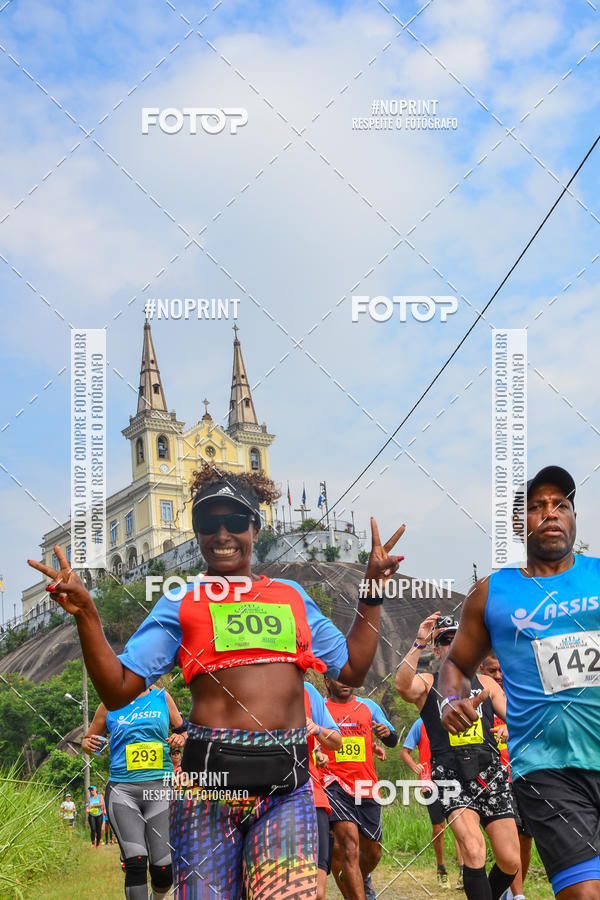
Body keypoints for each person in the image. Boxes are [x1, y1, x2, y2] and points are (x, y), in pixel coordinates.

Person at [29, 463, 404, 899]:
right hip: (208, 792)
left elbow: (352, 670)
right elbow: (118, 690)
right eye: (209, 522)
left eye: (235, 521)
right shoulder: (182, 601)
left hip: (287, 791)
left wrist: (372, 590)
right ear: (197, 530)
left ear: (255, 527)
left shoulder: (292, 598)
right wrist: (88, 616)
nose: (222, 533)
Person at [439, 466, 600, 899]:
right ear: (519, 524)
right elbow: (455, 665)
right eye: (536, 507)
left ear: (573, 517)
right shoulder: (492, 593)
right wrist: (449, 699)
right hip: (547, 769)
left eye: (561, 505)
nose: (550, 513)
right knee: (585, 894)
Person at [395, 614, 520, 900]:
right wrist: (419, 641)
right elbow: (402, 686)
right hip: (450, 773)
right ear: (437, 649)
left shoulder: (487, 683)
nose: (452, 645)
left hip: (490, 772)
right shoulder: (429, 682)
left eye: (458, 639)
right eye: (445, 640)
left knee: (511, 861)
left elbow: (515, 717)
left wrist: (510, 731)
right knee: (474, 850)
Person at [82, 686, 185, 899]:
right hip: (122, 789)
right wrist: (87, 743)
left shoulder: (161, 696)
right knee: (135, 861)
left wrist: (180, 738)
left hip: (160, 789)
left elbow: (182, 730)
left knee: (163, 868)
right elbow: (89, 738)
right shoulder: (109, 702)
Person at [322, 677, 398, 900]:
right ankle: (355, 893)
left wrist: (385, 734)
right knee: (347, 846)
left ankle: (353, 878)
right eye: (338, 678)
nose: (345, 682)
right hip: (333, 784)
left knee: (373, 854)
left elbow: (392, 740)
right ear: (327, 682)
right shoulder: (321, 707)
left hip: (366, 786)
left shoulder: (368, 706)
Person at [479, 652, 531, 900]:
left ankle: (510, 894)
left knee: (525, 838)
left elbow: (534, 725)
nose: (498, 676)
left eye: (501, 670)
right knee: (509, 837)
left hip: (526, 773)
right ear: (482, 670)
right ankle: (517, 895)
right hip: (495, 779)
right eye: (492, 671)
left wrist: (512, 729)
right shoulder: (479, 697)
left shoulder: (520, 695)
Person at [401, 716, 465, 889]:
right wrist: (415, 766)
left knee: (459, 825)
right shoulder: (420, 723)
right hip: (429, 781)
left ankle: (463, 871)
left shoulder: (453, 717)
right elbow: (404, 751)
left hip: (454, 779)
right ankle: (441, 867)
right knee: (439, 828)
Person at [304, 680, 343, 900]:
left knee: (317, 893)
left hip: (312, 794)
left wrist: (316, 729)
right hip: (268, 799)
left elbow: (336, 740)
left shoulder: (308, 690)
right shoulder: (253, 682)